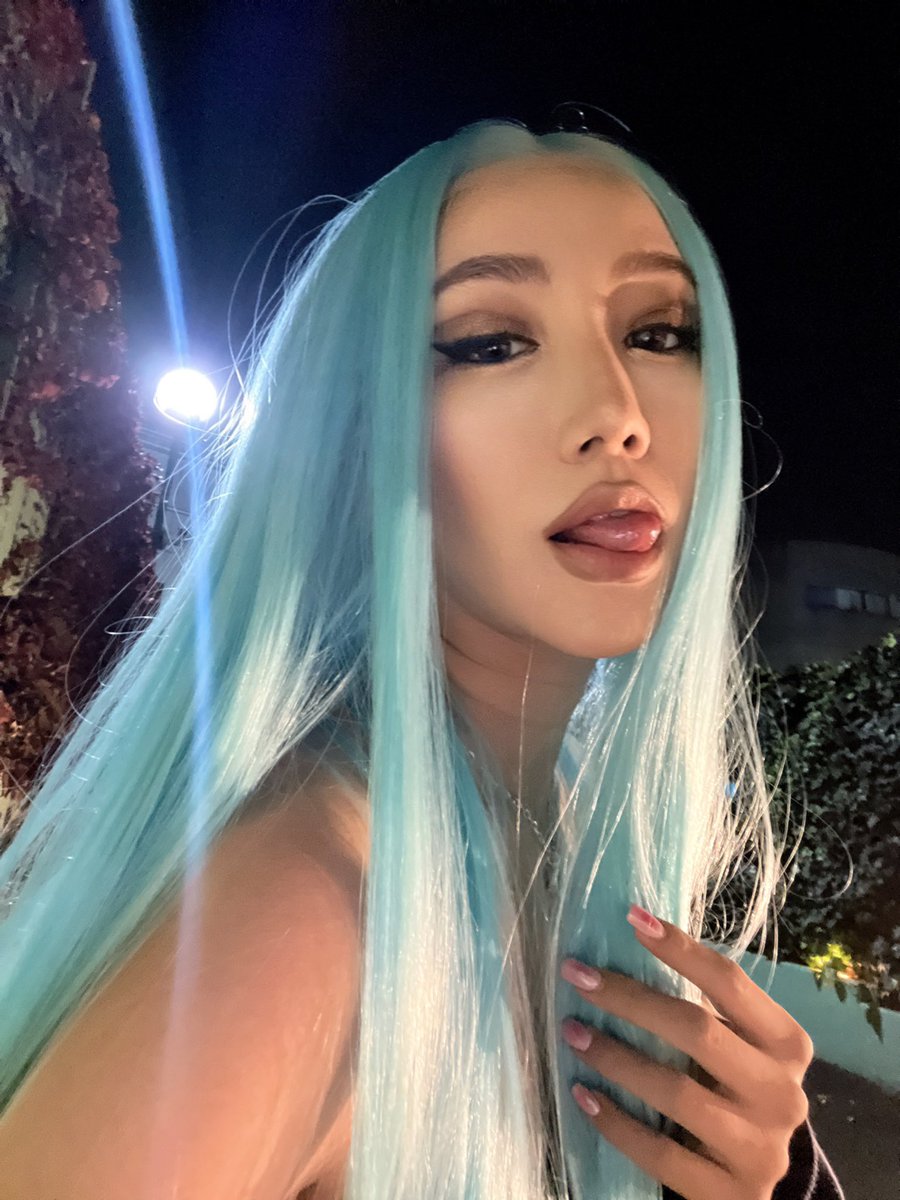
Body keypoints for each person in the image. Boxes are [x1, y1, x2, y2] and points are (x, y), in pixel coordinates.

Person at [0, 119, 844, 1199]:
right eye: (491, 343)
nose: (617, 417)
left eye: (659, 332)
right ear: (354, 430)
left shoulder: (559, 827)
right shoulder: (299, 919)